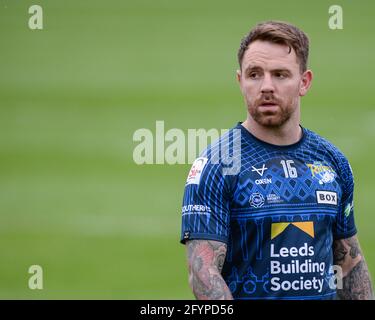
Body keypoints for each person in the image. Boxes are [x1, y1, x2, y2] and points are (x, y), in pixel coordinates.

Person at [180, 21, 373, 300]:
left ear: (304, 82)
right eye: (255, 75)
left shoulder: (333, 161)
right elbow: (203, 274)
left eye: (280, 75)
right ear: (240, 81)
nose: (266, 86)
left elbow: (349, 263)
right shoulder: (216, 165)